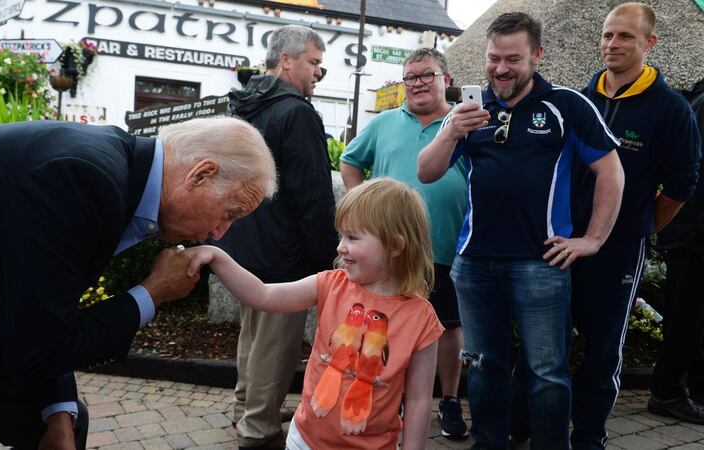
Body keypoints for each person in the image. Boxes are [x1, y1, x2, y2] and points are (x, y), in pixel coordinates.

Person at [0, 116, 276, 449]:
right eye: (230, 213)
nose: (219, 233)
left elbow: (45, 307)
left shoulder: (116, 174)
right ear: (201, 174)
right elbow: (40, 345)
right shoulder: (83, 178)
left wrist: (59, 412)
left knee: (65, 421)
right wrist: (152, 292)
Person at [417, 12, 625, 449]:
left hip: (540, 261)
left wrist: (593, 239)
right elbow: (427, 171)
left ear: (537, 55)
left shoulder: (566, 105)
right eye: (494, 58)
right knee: (483, 364)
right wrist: (450, 131)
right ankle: (488, 443)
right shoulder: (472, 111)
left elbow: (611, 171)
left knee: (547, 372)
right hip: (474, 262)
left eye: (513, 59)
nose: (501, 69)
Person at [187, 177, 444, 449]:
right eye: (341, 235)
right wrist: (217, 257)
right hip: (305, 441)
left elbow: (418, 400)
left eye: (353, 237)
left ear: (395, 246)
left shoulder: (421, 319)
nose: (340, 246)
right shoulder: (331, 284)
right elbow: (263, 295)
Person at [565, 4, 702, 447]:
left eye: (624, 36)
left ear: (650, 43)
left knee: (603, 348)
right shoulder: (579, 100)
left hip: (619, 250)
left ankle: (588, 437)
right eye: (607, 35)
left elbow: (682, 184)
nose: (612, 45)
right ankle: (529, 424)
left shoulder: (671, 109)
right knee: (545, 341)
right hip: (562, 242)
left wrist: (639, 226)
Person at [211, 24, 338, 449]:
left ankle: (244, 409)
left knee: (253, 337)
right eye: (313, 63)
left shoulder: (244, 105)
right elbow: (313, 195)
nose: (318, 73)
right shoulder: (296, 112)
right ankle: (259, 429)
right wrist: (327, 257)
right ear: (287, 60)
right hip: (283, 253)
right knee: (275, 345)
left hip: (244, 245)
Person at [339, 47, 469, 439]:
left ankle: (447, 401)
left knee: (448, 327)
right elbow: (349, 161)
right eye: (410, 77)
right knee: (388, 323)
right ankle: (386, 398)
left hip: (446, 246)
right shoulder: (384, 124)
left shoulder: (463, 122)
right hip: (391, 253)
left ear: (446, 79)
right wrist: (363, 216)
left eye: (426, 75)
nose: (417, 84)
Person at [650, 77, 704, 424]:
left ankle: (690, 389)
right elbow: (690, 172)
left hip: (691, 232)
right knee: (688, 316)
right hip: (694, 234)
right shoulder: (701, 104)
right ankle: (669, 390)